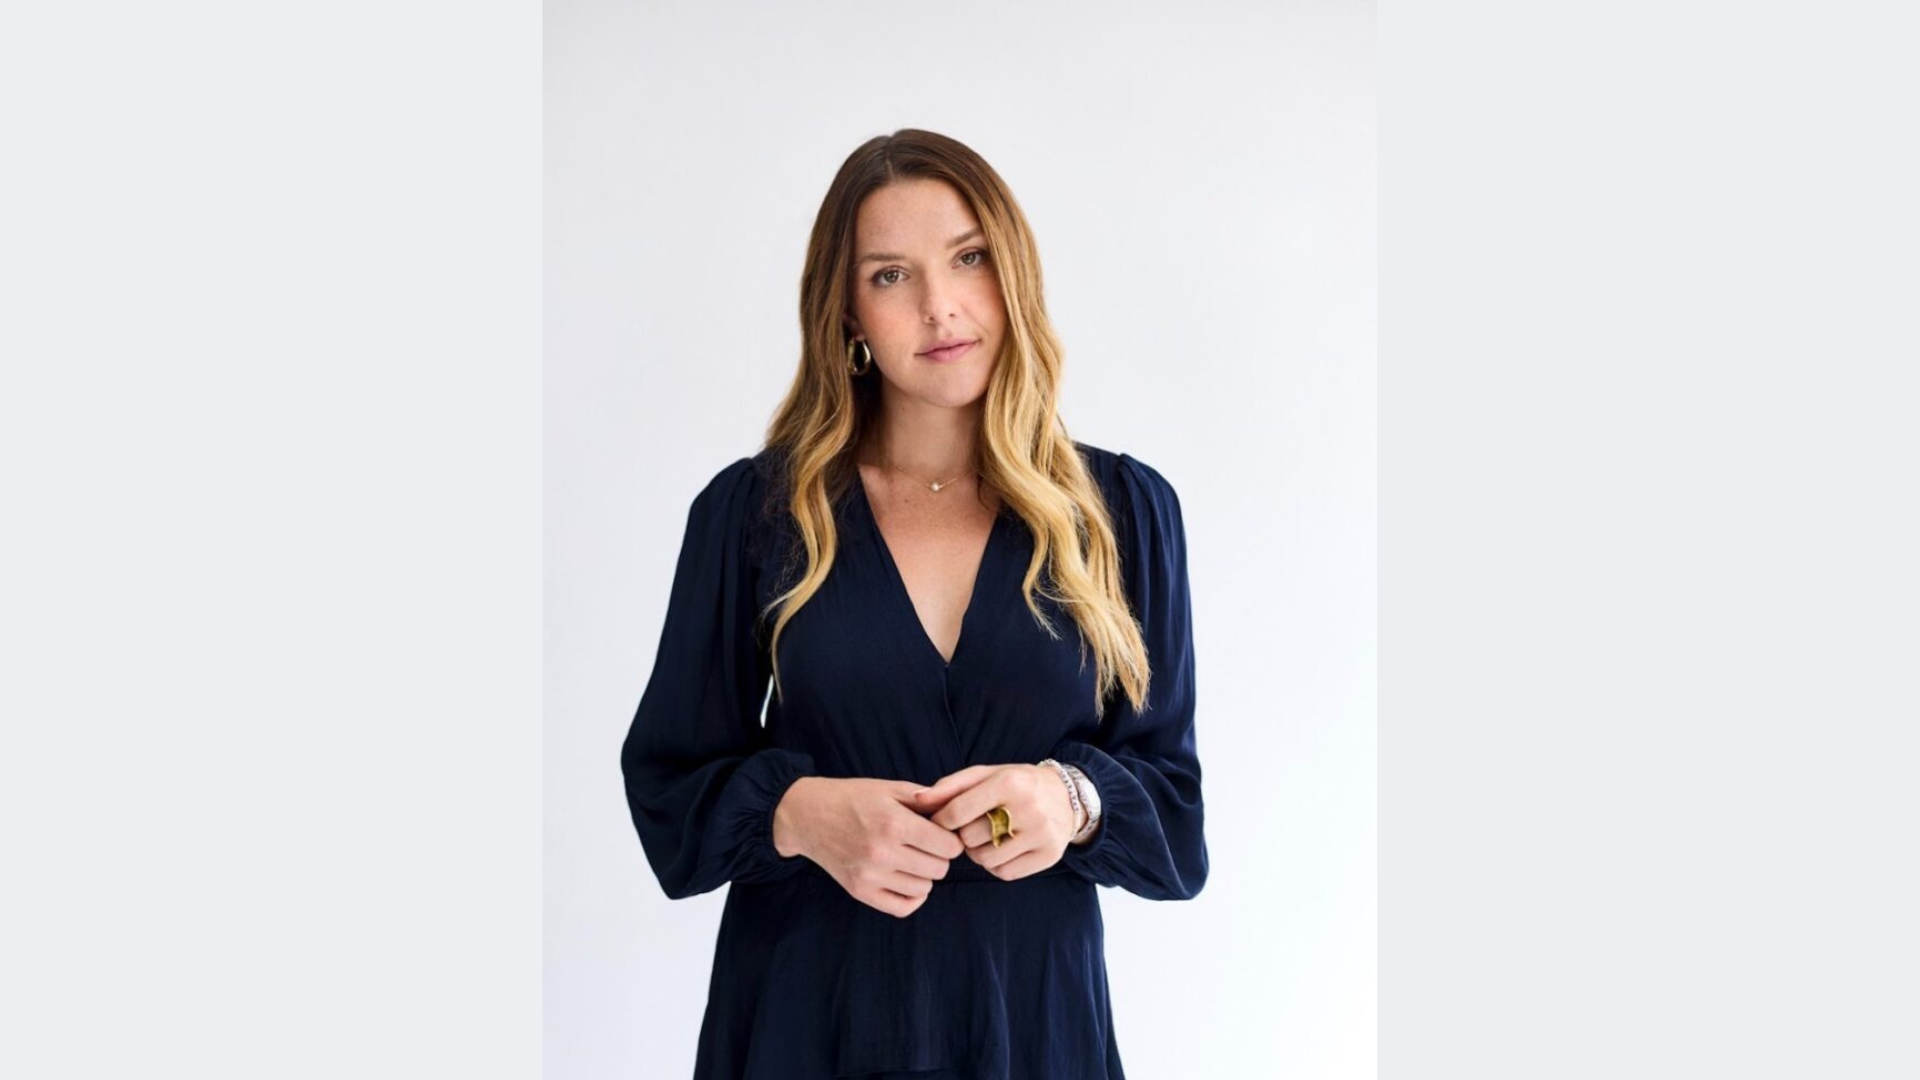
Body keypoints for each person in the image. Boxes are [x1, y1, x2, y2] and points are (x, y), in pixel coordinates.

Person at [620, 128, 1208, 1080]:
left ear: (1012, 274)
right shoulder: (753, 516)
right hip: (806, 1025)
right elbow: (667, 790)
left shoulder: (1122, 513)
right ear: (847, 311)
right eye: (890, 276)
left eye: (968, 258)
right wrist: (799, 815)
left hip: (1030, 1030)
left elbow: (1175, 821)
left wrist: (1070, 799)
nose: (940, 307)